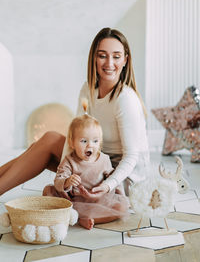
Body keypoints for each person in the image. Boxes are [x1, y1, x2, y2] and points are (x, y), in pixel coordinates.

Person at [0, 27, 149, 199]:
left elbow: (131, 157)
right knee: (43, 145)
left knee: (48, 141)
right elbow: (75, 137)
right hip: (92, 161)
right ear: (94, 58)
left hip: (119, 177)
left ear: (125, 60)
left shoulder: (125, 99)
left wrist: (108, 185)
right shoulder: (87, 89)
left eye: (116, 56)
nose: (109, 63)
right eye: (102, 55)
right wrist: (64, 176)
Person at [43, 99, 129, 229]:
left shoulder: (104, 160)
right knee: (48, 191)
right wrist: (67, 182)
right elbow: (58, 180)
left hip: (98, 201)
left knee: (122, 206)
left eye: (95, 141)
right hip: (75, 201)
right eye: (84, 141)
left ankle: (85, 219)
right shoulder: (70, 160)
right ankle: (74, 217)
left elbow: (114, 180)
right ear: (72, 143)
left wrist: (119, 195)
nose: (90, 145)